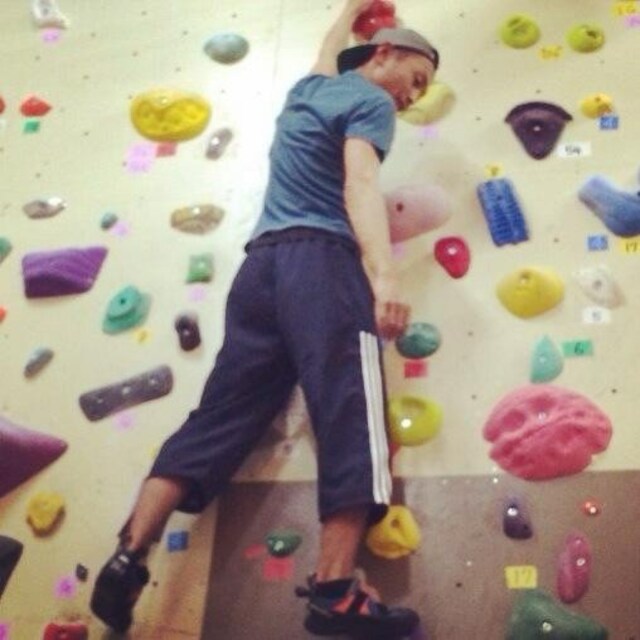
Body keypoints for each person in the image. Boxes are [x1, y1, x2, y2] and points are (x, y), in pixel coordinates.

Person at [90, 1, 439, 637]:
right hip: (323, 262)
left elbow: (328, 50)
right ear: (383, 53)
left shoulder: (309, 90)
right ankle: (335, 593)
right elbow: (361, 186)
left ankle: (127, 556)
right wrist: (385, 276)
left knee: (220, 414)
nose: (413, 96)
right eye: (415, 78)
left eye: (422, 91)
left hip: (261, 270)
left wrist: (351, 9)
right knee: (352, 410)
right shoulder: (371, 103)